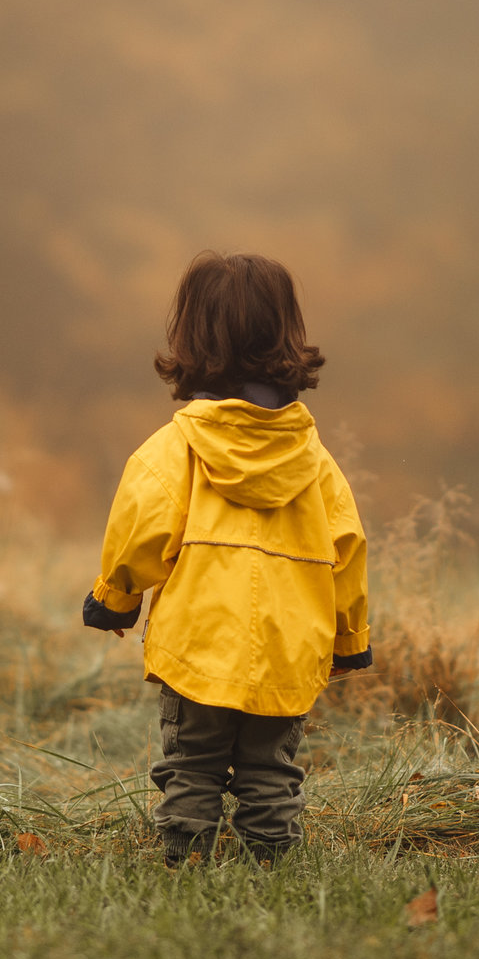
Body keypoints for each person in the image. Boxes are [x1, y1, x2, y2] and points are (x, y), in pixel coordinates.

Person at [82, 251, 372, 865]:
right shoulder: (315, 459)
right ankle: (271, 861)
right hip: (289, 649)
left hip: (198, 644)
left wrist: (115, 599)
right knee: (270, 767)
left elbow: (141, 530)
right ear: (284, 335)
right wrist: (349, 639)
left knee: (193, 764)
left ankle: (185, 861)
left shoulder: (176, 447)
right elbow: (346, 550)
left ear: (191, 336)